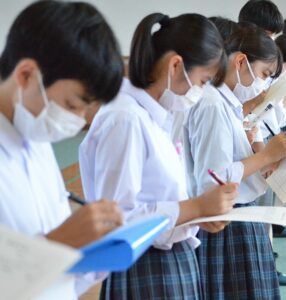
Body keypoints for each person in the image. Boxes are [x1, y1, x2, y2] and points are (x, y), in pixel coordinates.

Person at [79, 13, 238, 299]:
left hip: (167, 261)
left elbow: (158, 200)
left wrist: (196, 216)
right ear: (176, 65)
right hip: (144, 269)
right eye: (202, 81)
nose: (199, 92)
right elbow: (118, 220)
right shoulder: (124, 118)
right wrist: (197, 208)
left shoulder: (154, 116)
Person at [0, 1, 125, 298]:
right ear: (27, 75)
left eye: (86, 110)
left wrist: (93, 250)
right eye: (71, 105)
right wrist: (58, 244)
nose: (78, 121)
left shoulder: (36, 141)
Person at [184, 23, 286, 299]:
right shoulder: (211, 104)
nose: (263, 85)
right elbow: (214, 177)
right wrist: (265, 156)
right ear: (241, 61)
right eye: (264, 74)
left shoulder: (225, 103)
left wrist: (263, 157)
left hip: (238, 218)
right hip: (225, 224)